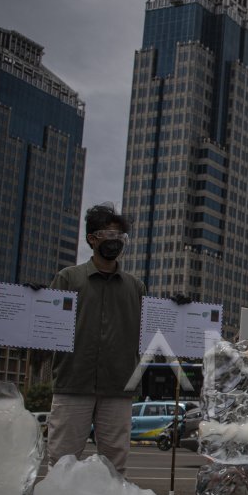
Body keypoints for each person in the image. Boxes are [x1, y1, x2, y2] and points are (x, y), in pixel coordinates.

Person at [46, 203, 145, 475]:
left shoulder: (135, 287)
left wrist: (175, 309)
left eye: (119, 237)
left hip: (119, 387)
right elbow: (47, 325)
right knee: (61, 461)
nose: (114, 242)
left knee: (115, 464)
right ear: (92, 239)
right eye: (107, 235)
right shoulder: (68, 279)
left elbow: (151, 330)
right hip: (73, 382)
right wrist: (35, 302)